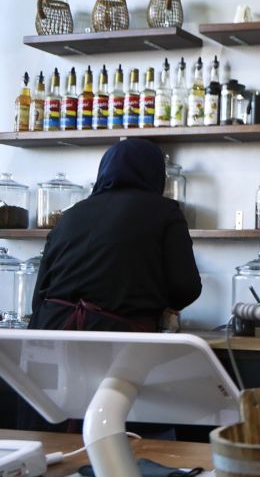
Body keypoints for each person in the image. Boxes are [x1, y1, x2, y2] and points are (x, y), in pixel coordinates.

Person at [30, 138, 202, 332]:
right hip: (118, 339)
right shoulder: (165, 211)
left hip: (49, 331)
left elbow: (39, 295)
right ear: (156, 174)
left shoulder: (70, 214)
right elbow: (186, 288)